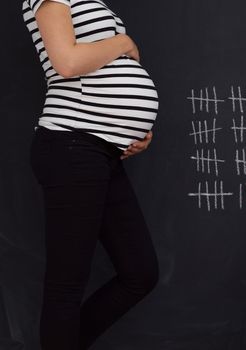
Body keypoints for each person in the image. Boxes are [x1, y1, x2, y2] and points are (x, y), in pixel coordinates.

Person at [22, 0, 159, 348]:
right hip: (73, 145)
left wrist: (133, 127)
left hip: (102, 150)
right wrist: (124, 43)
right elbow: (67, 63)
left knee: (140, 273)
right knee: (65, 287)